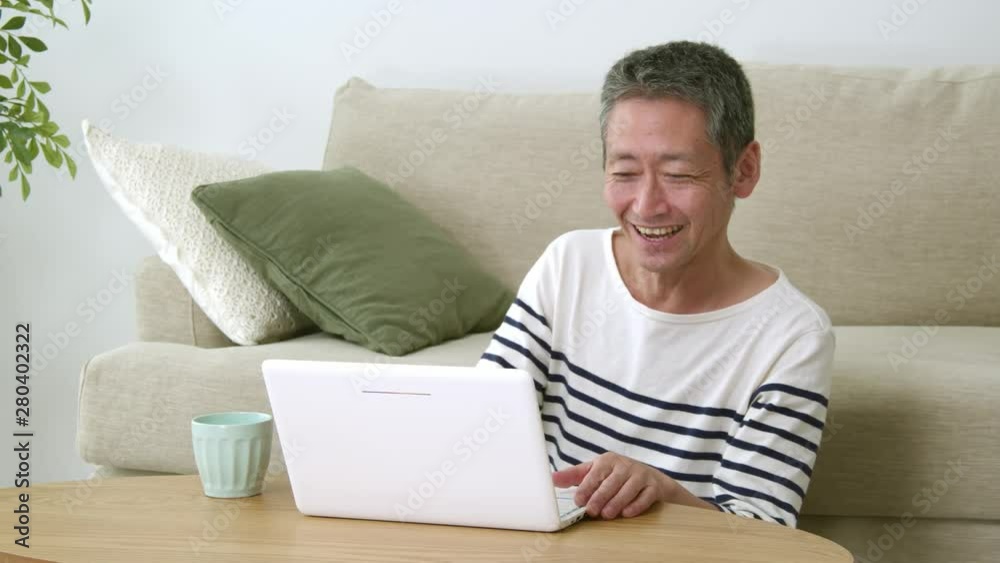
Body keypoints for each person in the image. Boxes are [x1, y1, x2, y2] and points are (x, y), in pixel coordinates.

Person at [477, 41, 834, 528]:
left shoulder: (792, 336)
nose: (646, 206)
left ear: (744, 170)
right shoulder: (569, 263)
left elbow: (761, 536)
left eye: (678, 174)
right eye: (624, 172)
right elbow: (481, 420)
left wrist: (663, 492)